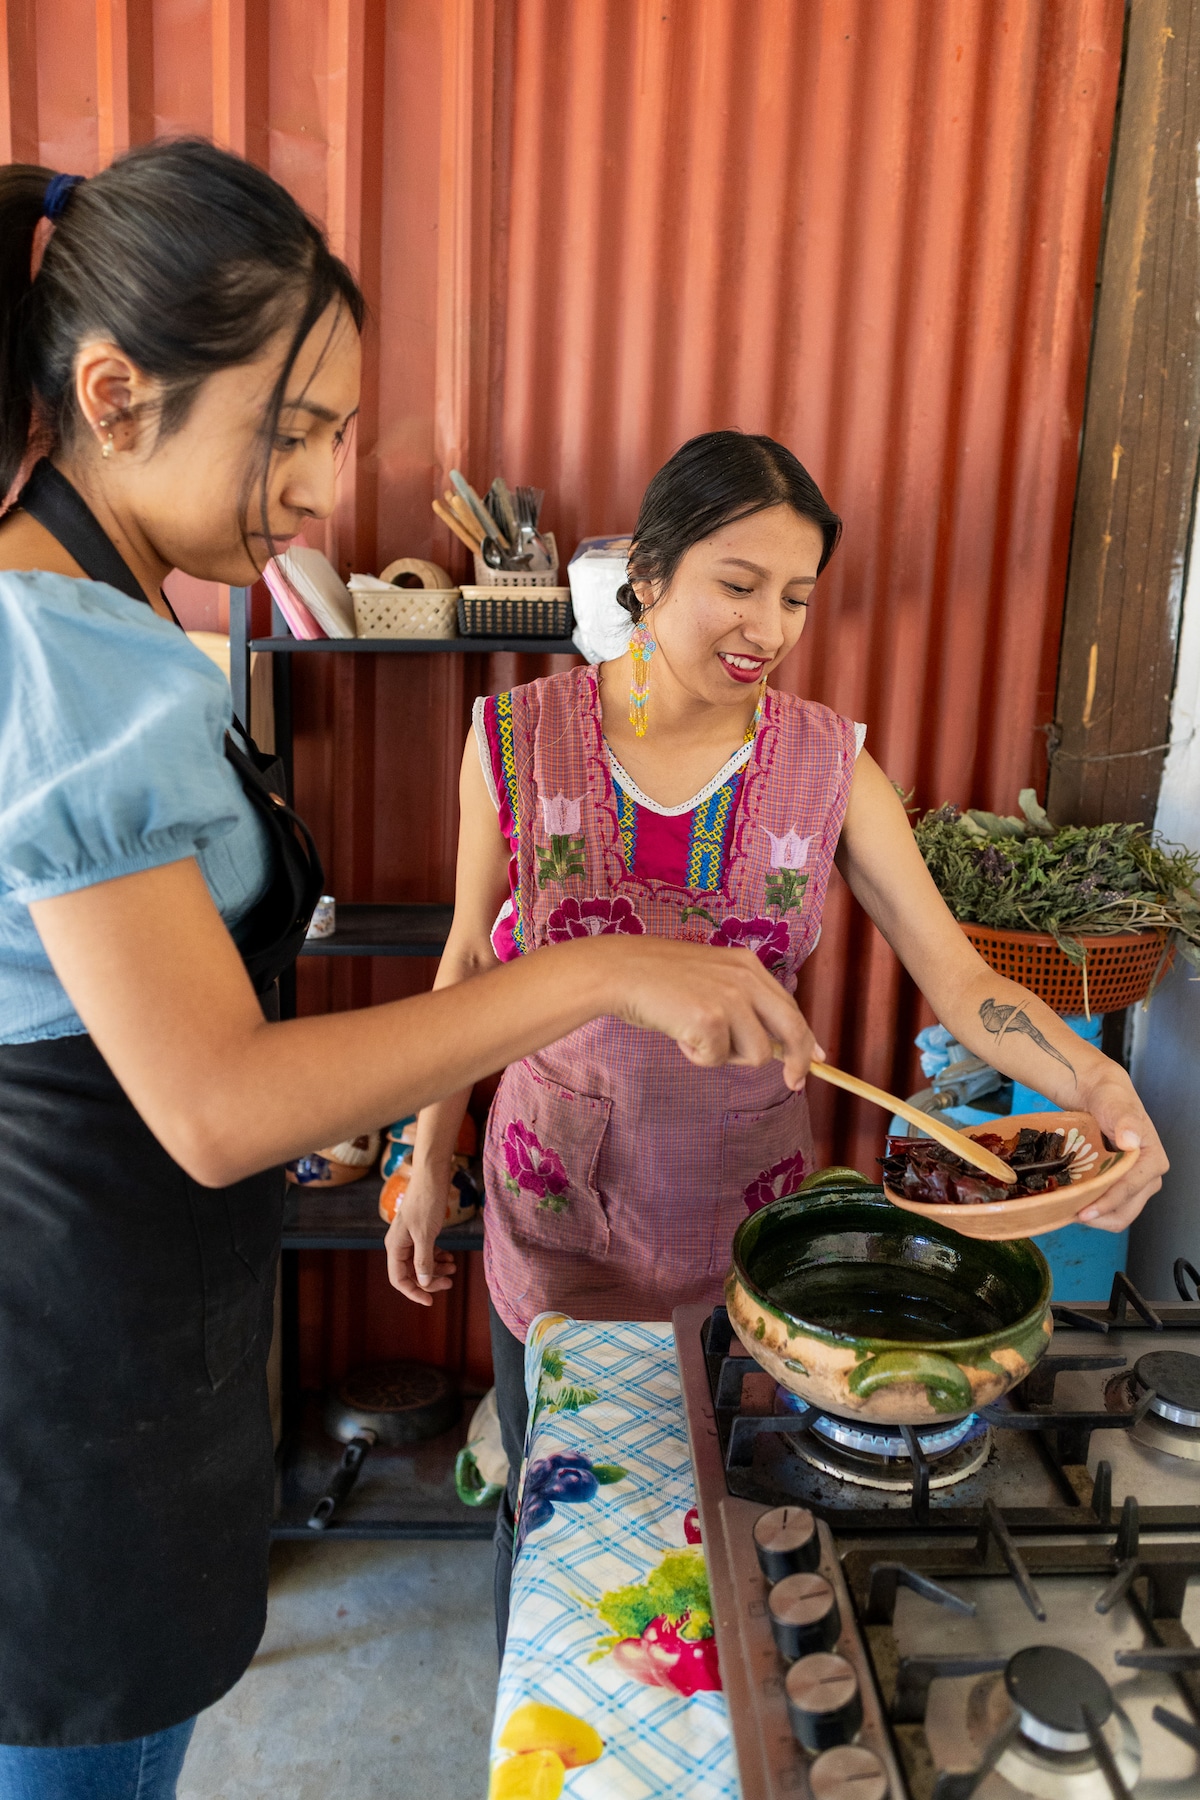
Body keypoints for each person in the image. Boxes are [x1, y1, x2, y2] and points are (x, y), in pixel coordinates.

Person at [0, 150, 810, 1798]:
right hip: (72, 1388)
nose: (317, 489)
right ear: (115, 392)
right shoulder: (55, 658)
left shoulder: (113, 613)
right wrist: (600, 972)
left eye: (337, 437)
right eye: (290, 431)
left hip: (137, 1339)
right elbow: (222, 1107)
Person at [386, 429, 1170, 1647]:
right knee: (554, 1504)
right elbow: (468, 961)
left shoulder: (828, 768)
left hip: (742, 1224)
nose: (770, 626)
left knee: (731, 1496)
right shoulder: (515, 743)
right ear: (647, 575)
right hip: (552, 1210)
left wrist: (1096, 1077)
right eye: (737, 585)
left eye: (797, 595)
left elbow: (959, 981)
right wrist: (425, 1158)